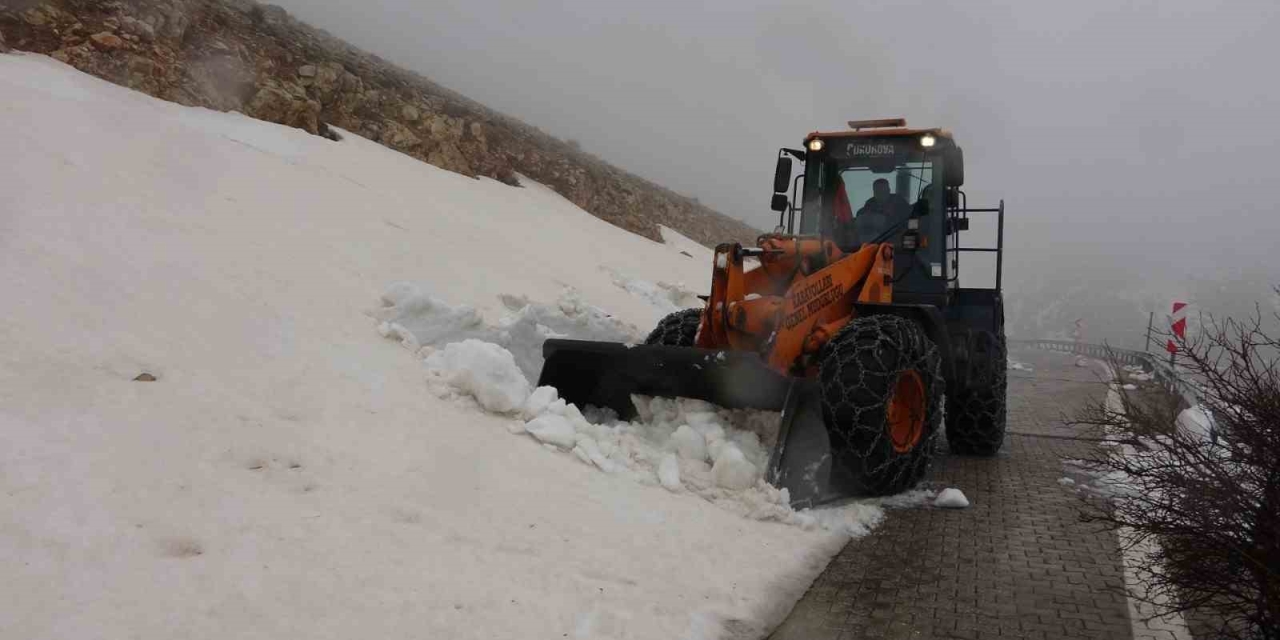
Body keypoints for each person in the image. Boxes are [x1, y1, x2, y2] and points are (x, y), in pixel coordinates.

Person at [854, 178, 911, 243]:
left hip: (896, 242)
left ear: (889, 190)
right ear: (873, 192)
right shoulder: (869, 205)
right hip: (876, 243)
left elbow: (911, 221)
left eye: (883, 191)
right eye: (878, 192)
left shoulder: (900, 203)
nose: (880, 194)